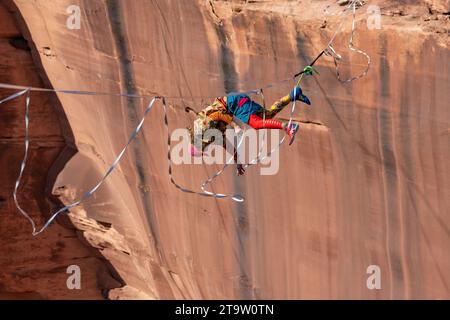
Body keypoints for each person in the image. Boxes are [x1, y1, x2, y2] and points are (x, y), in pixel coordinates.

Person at [188, 86, 311, 175]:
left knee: (257, 124)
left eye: (203, 149)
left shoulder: (202, 128)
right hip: (235, 102)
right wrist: (238, 163)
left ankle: (289, 127)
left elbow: (218, 115)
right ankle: (293, 95)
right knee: (267, 116)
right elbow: (229, 147)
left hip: (233, 104)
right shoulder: (210, 137)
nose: (206, 149)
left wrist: (234, 126)